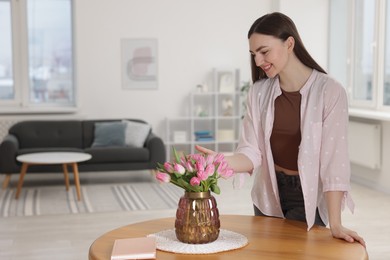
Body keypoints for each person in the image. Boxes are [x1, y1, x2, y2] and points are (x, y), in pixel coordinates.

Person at [196, 12, 366, 247]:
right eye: (254, 54)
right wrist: (220, 160)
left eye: (264, 51)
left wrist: (336, 223)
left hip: (307, 196)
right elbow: (251, 152)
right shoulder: (258, 92)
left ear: (289, 43)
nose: (257, 61)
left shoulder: (329, 91)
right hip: (269, 192)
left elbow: (333, 162)